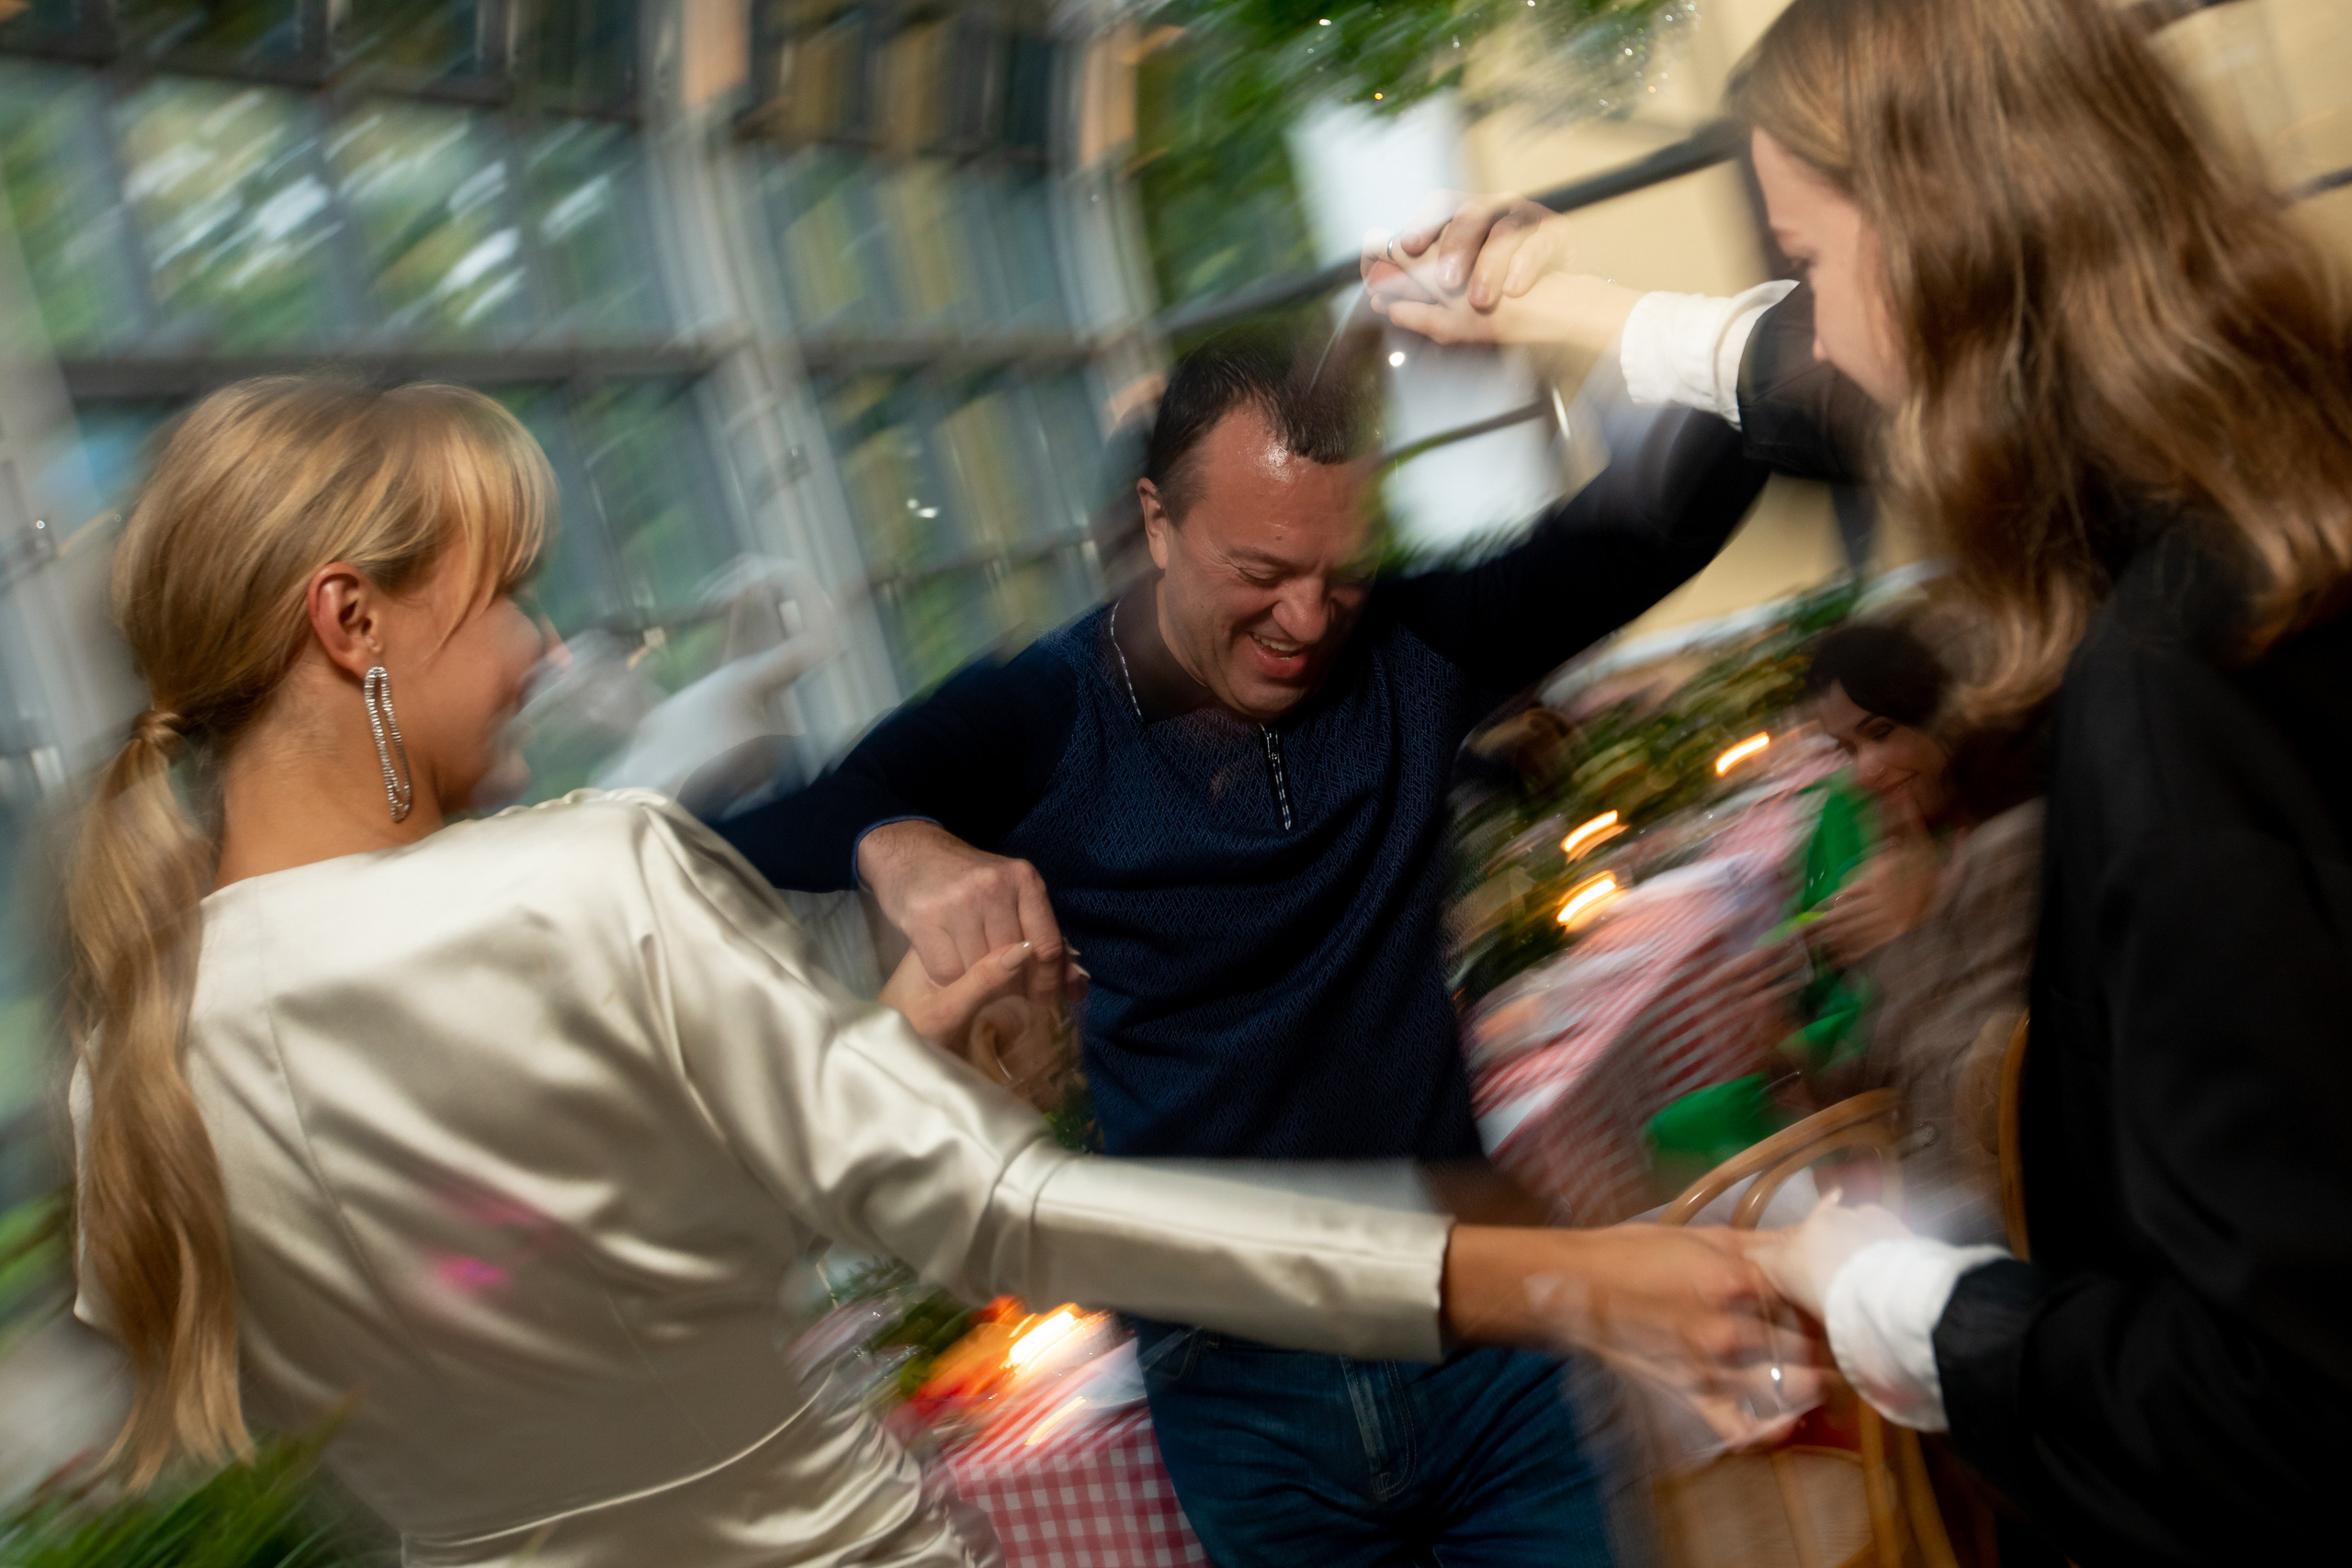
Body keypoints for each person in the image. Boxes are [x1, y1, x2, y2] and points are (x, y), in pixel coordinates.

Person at [63, 377, 1804, 1568]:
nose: (536, 648)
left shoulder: (128, 1062)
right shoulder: (575, 880)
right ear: (348, 623)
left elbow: (530, 1293)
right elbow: (1018, 1220)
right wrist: (1550, 1279)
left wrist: (874, 1059)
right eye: (503, 594)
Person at [1371, 0, 2352, 1560]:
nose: (1815, 334)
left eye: (1813, 258)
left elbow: (2285, 1406)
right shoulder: (2275, 502)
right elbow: (1790, 365)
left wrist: (1909, 1303)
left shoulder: (2165, 706)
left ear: (1953, 244)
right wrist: (1566, 301)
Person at [716, 329, 1796, 1564]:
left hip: (1479, 1326)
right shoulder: (1043, 712)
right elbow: (744, 835)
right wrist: (895, 839)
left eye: (1340, 570)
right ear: (1159, 521)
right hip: (1241, 1392)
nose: (1306, 618)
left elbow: (1668, 520)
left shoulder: (1414, 646)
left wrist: (1582, 310)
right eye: (1262, 570)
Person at [1799, 617, 2043, 1245]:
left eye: (1880, 733)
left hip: (1986, 1214)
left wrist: (1900, 940)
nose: (1864, 771)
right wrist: (1787, 1057)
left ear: (1947, 711)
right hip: (1920, 1181)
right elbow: (1894, 1070)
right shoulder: (1947, 844)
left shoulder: (2011, 846)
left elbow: (1982, 1098)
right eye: (1846, 750)